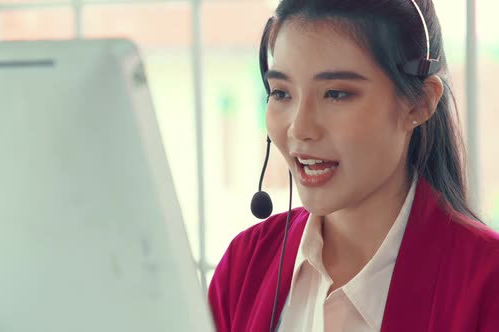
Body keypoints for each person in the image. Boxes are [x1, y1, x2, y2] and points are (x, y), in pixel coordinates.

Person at [207, 0, 499, 331]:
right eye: (281, 93)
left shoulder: (487, 284)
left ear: (419, 102)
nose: (299, 129)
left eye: (336, 94)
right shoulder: (245, 264)